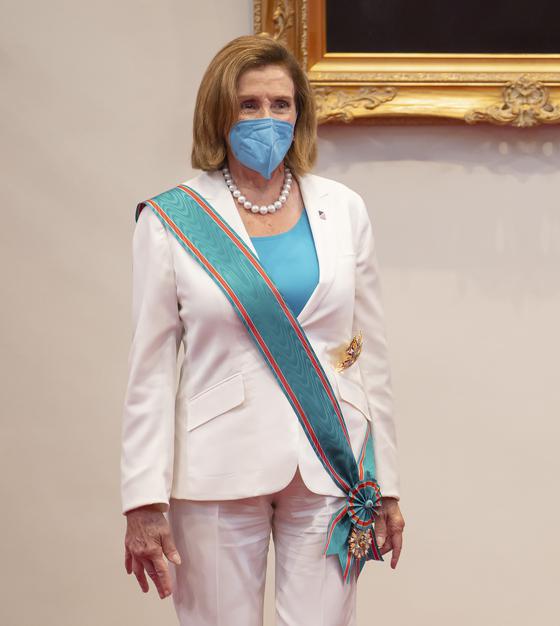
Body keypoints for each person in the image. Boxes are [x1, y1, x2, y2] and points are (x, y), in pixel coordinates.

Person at [120, 35, 404, 626]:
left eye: (282, 104)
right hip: (217, 469)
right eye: (249, 105)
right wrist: (143, 498)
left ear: (300, 113)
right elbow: (148, 372)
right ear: (219, 113)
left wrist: (388, 483)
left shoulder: (343, 208)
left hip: (331, 464)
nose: (267, 119)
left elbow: (369, 355)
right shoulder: (172, 219)